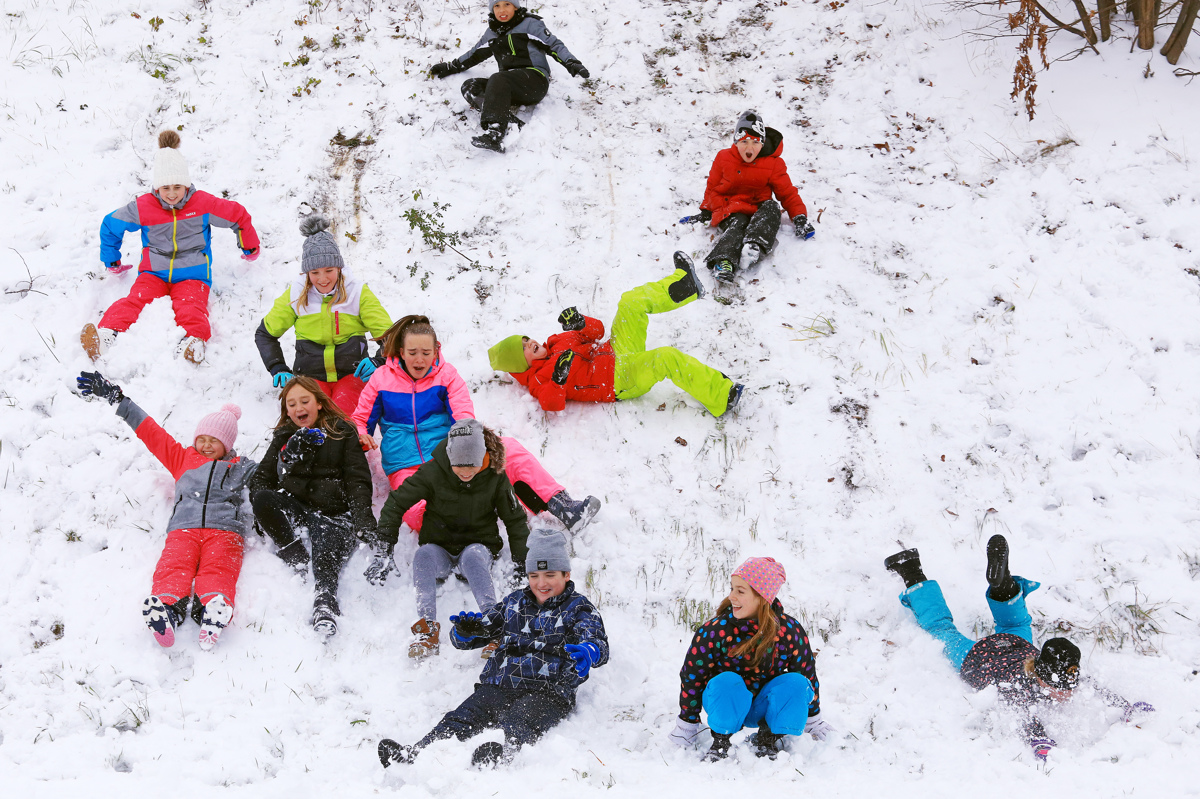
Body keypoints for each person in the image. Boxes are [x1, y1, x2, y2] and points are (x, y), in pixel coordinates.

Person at [884, 534, 1155, 763]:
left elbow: (1094, 687)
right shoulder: (1020, 687)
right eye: (1059, 689)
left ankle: (1003, 584)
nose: (1065, 694)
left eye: (1068, 688)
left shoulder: (1052, 671)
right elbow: (1023, 715)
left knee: (1015, 622)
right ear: (1040, 678)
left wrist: (1126, 706)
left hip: (1017, 646)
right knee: (942, 629)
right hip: (976, 658)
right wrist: (1039, 740)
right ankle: (910, 570)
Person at [377, 528, 608, 768]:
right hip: (499, 684)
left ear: (566, 574)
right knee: (463, 716)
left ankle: (502, 755)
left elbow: (595, 639)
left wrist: (589, 651)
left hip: (547, 691)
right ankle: (419, 754)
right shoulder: (515, 602)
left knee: (520, 720)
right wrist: (465, 632)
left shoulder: (579, 608)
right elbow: (483, 630)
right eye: (534, 575)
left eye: (550, 574)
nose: (541, 583)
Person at [352, 314, 599, 532]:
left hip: (447, 458)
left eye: (426, 353)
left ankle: (563, 507)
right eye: (413, 353)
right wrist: (362, 434)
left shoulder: (447, 376)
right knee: (417, 512)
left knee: (508, 449)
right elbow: (360, 419)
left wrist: (467, 446)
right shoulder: (381, 380)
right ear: (401, 352)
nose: (419, 360)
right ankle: (466, 528)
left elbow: (463, 416)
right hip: (405, 464)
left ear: (436, 350)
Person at [74, 371, 255, 650]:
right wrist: (118, 399)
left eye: (214, 440)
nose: (205, 445)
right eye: (202, 438)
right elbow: (151, 432)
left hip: (224, 530)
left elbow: (274, 472)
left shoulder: (241, 467)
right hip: (184, 529)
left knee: (219, 568)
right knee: (174, 566)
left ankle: (213, 611)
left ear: (227, 445)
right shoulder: (182, 457)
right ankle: (166, 609)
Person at [489, 252, 744, 418]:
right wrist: (558, 379)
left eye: (526, 339)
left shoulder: (557, 341)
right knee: (665, 357)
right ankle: (722, 395)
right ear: (521, 363)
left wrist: (580, 324)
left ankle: (685, 285)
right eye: (523, 347)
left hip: (616, 350)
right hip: (617, 380)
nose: (530, 342)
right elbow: (551, 403)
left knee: (630, 302)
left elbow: (598, 332)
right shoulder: (538, 380)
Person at [82, 131, 260, 364]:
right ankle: (105, 335)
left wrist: (249, 245)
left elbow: (237, 215)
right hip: (153, 272)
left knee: (191, 307)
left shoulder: (203, 204)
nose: (172, 194)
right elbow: (110, 224)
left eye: (178, 186)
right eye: (165, 188)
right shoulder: (144, 207)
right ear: (156, 188)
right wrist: (111, 259)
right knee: (134, 300)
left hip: (193, 274)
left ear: (187, 185)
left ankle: (193, 343)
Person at [364, 419, 532, 659]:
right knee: (423, 556)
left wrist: (522, 564)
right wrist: (384, 546)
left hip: (478, 545)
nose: (465, 472)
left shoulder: (496, 477)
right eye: (458, 466)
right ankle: (427, 629)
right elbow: (397, 502)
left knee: (474, 558)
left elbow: (515, 520)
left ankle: (495, 628)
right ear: (450, 457)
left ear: (483, 456)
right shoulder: (433, 471)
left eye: (471, 465)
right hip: (439, 546)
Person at [249, 377, 376, 637]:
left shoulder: (342, 431)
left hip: (333, 512)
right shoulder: (284, 436)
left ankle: (325, 601)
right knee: (262, 498)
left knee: (327, 539)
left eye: (304, 401)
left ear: (319, 403)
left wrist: (363, 520)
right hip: (298, 507)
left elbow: (357, 480)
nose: (298, 408)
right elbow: (261, 480)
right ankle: (293, 552)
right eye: (291, 404)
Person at [669, 557, 826, 761]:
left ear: (762, 597)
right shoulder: (715, 631)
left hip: (764, 706)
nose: (731, 596)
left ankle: (768, 738)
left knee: (797, 683)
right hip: (726, 704)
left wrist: (814, 720)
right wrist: (687, 724)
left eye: (740, 591)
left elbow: (807, 675)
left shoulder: (788, 631)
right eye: (732, 588)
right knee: (726, 681)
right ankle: (721, 741)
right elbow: (692, 676)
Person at [254, 215, 392, 415]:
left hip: (352, 375)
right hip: (310, 377)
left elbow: (392, 337)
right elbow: (265, 334)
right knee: (309, 421)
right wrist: (278, 367)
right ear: (307, 273)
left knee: (342, 417)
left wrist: (378, 361)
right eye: (315, 272)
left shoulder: (357, 293)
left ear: (339, 267)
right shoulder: (296, 295)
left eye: (329, 270)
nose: (323, 278)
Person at [428, 0, 591, 152]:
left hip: (534, 81)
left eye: (507, 4)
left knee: (498, 78)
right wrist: (451, 66)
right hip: (507, 87)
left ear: (515, 6)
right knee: (470, 87)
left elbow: (554, 45)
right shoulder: (492, 32)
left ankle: (496, 133)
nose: (502, 10)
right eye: (497, 6)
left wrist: (572, 62)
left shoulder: (530, 24)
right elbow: (474, 54)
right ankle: (512, 123)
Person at [682, 110, 813, 283]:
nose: (749, 148)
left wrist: (799, 217)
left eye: (755, 142)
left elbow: (787, 192)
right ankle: (724, 262)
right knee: (739, 223)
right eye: (744, 141)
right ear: (736, 142)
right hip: (731, 208)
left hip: (758, 208)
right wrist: (706, 210)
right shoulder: (723, 158)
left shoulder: (773, 163)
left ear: (762, 143)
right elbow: (713, 186)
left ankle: (754, 246)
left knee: (772, 207)